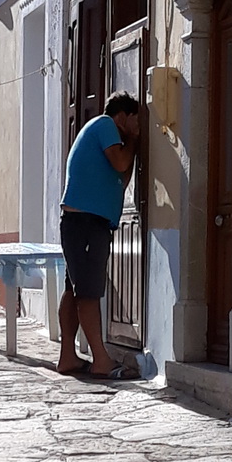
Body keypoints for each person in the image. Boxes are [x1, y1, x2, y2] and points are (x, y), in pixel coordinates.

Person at [57, 91, 141, 380]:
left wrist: (129, 145)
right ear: (122, 116)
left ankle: (68, 356)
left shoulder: (106, 135)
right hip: (86, 222)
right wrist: (132, 139)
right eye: (134, 120)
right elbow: (120, 164)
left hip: (82, 221)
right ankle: (101, 360)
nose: (137, 126)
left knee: (74, 289)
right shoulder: (106, 124)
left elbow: (121, 177)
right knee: (88, 292)